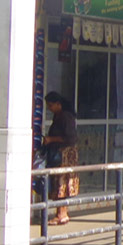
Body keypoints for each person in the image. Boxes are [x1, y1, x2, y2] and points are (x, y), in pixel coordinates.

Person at [43, 91, 79, 225]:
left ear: (59, 104)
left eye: (51, 105)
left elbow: (70, 137)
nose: (50, 108)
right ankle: (61, 213)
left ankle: (62, 214)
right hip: (59, 154)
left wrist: (51, 139)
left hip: (64, 156)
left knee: (61, 184)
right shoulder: (58, 116)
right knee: (59, 184)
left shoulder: (66, 117)